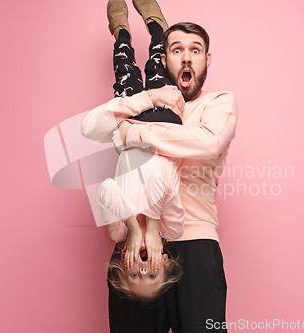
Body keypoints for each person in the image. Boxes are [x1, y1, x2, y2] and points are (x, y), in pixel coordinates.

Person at [82, 0, 238, 331]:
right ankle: (133, 28)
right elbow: (90, 128)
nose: (186, 57)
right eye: (177, 49)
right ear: (164, 58)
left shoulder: (219, 102)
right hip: (132, 247)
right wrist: (145, 103)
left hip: (195, 244)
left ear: (206, 59)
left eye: (195, 51)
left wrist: (131, 133)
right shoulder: (138, 105)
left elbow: (204, 143)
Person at [84, 0, 188, 300]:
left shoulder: (117, 231)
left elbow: (105, 189)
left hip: (130, 126)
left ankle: (121, 33)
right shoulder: (172, 229)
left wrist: (132, 227)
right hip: (166, 122)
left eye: (134, 274)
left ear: (122, 263)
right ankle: (157, 26)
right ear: (165, 262)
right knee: (158, 63)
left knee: (123, 68)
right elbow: (160, 180)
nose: (143, 268)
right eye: (151, 274)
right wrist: (152, 228)